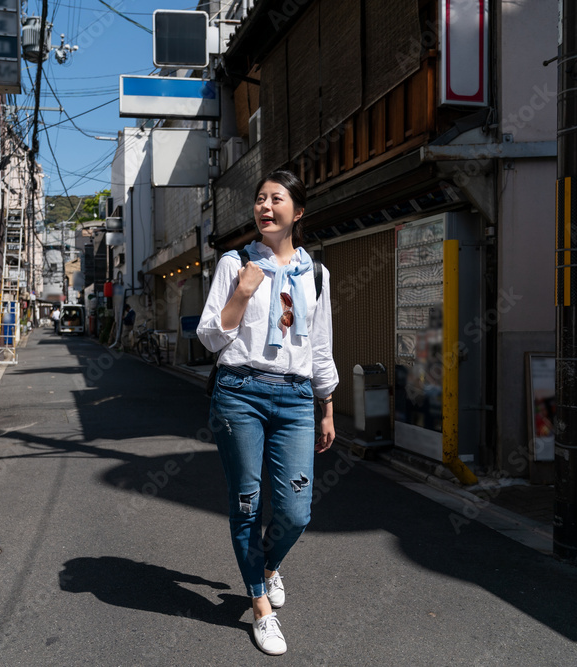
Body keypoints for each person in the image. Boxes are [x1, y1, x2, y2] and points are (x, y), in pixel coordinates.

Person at [197, 169, 338, 656]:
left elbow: (320, 347)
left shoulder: (316, 274)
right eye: (260, 199)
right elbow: (211, 337)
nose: (265, 206)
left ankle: (269, 567)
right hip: (240, 392)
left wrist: (327, 406)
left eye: (276, 199)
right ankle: (260, 607)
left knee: (296, 510)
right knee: (247, 503)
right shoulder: (235, 264)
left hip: (297, 397)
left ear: (296, 213)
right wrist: (241, 292)